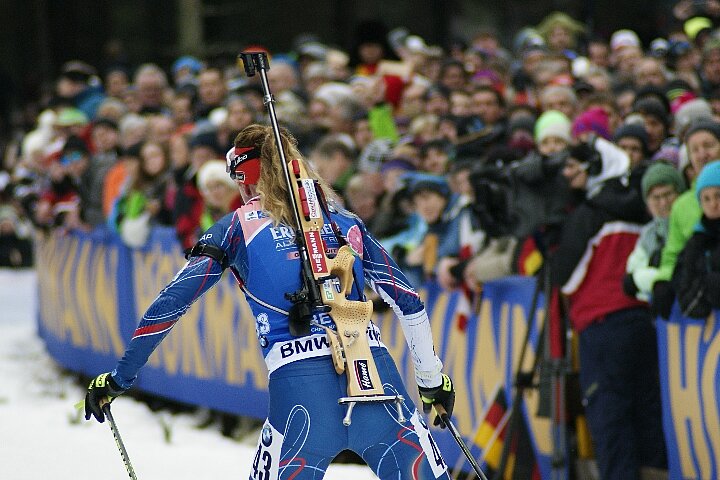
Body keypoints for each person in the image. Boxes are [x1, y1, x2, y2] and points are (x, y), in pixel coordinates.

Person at [84, 124, 455, 480]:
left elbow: (169, 304)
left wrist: (120, 378)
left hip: (300, 394)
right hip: (376, 377)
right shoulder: (340, 217)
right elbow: (408, 300)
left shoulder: (237, 226)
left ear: (243, 179)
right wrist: (431, 379)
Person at [551, 137, 667, 480]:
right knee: (648, 413)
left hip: (603, 327)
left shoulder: (590, 213)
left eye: (575, 167)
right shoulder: (640, 206)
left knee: (610, 417)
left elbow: (565, 278)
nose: (569, 175)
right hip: (645, 321)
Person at [674, 160, 720, 318]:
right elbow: (684, 289)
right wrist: (704, 289)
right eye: (706, 199)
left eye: (718, 196)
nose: (713, 204)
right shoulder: (696, 241)